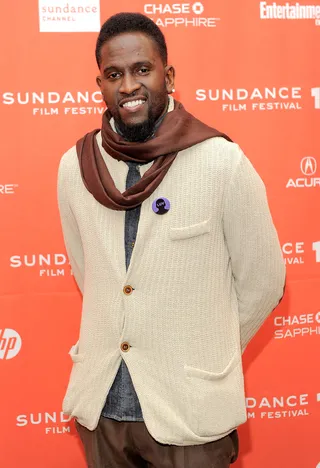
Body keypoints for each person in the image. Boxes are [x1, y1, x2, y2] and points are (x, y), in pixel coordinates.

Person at [57, 12, 286, 468]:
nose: (128, 87)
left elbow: (264, 282)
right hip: (102, 410)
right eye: (114, 75)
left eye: (142, 70)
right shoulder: (74, 167)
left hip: (191, 415)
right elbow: (91, 273)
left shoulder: (222, 162)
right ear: (100, 83)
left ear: (169, 75)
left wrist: (204, 348)